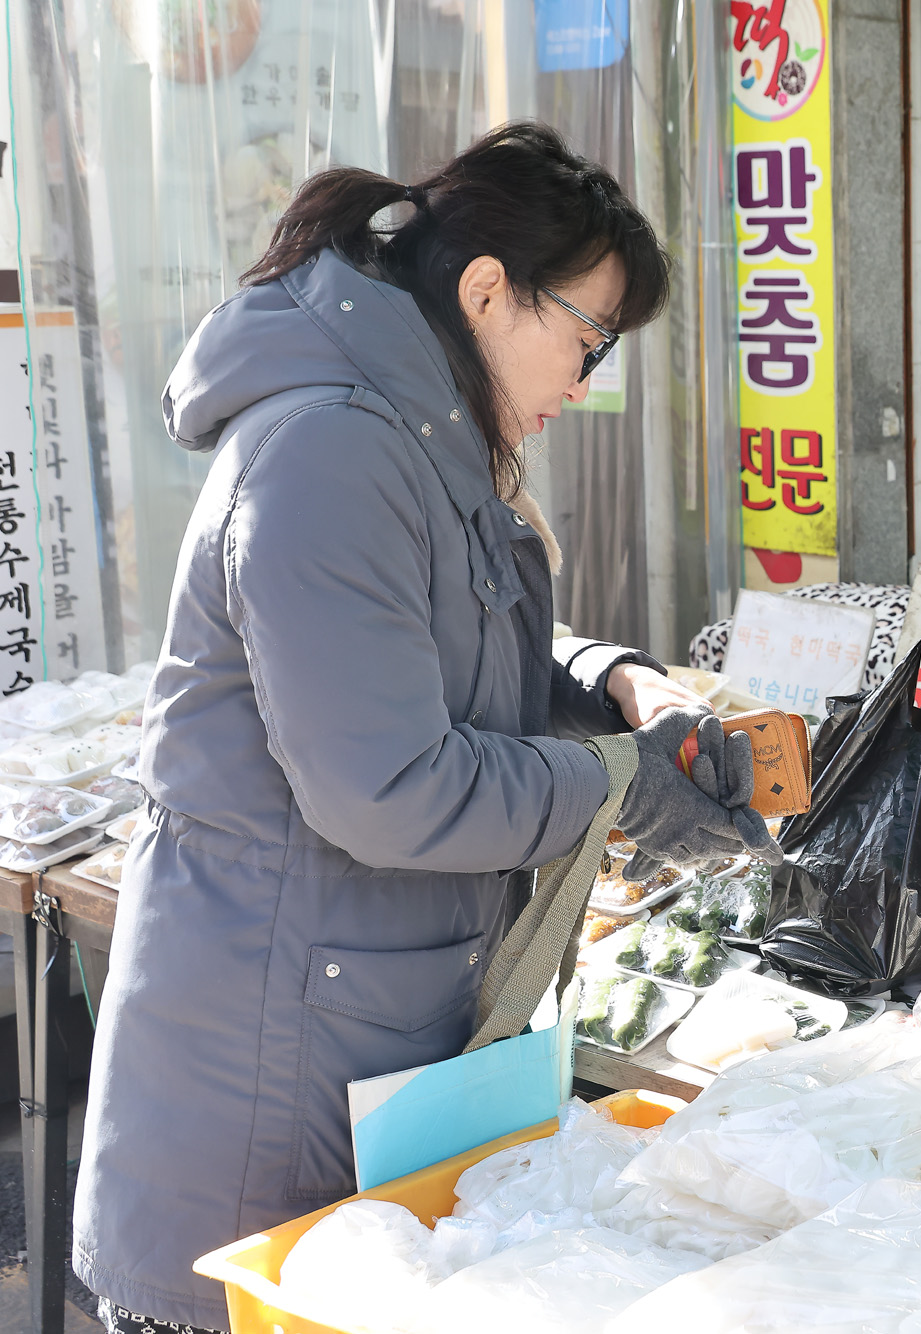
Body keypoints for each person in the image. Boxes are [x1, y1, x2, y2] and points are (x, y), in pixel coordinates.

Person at [72, 123, 775, 1333]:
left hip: (351, 1030)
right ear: (488, 288)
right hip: (263, 1081)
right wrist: (613, 784)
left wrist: (611, 684)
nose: (587, 379)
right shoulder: (332, 452)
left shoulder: (419, 433)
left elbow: (451, 635)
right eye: (589, 338)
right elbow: (386, 783)